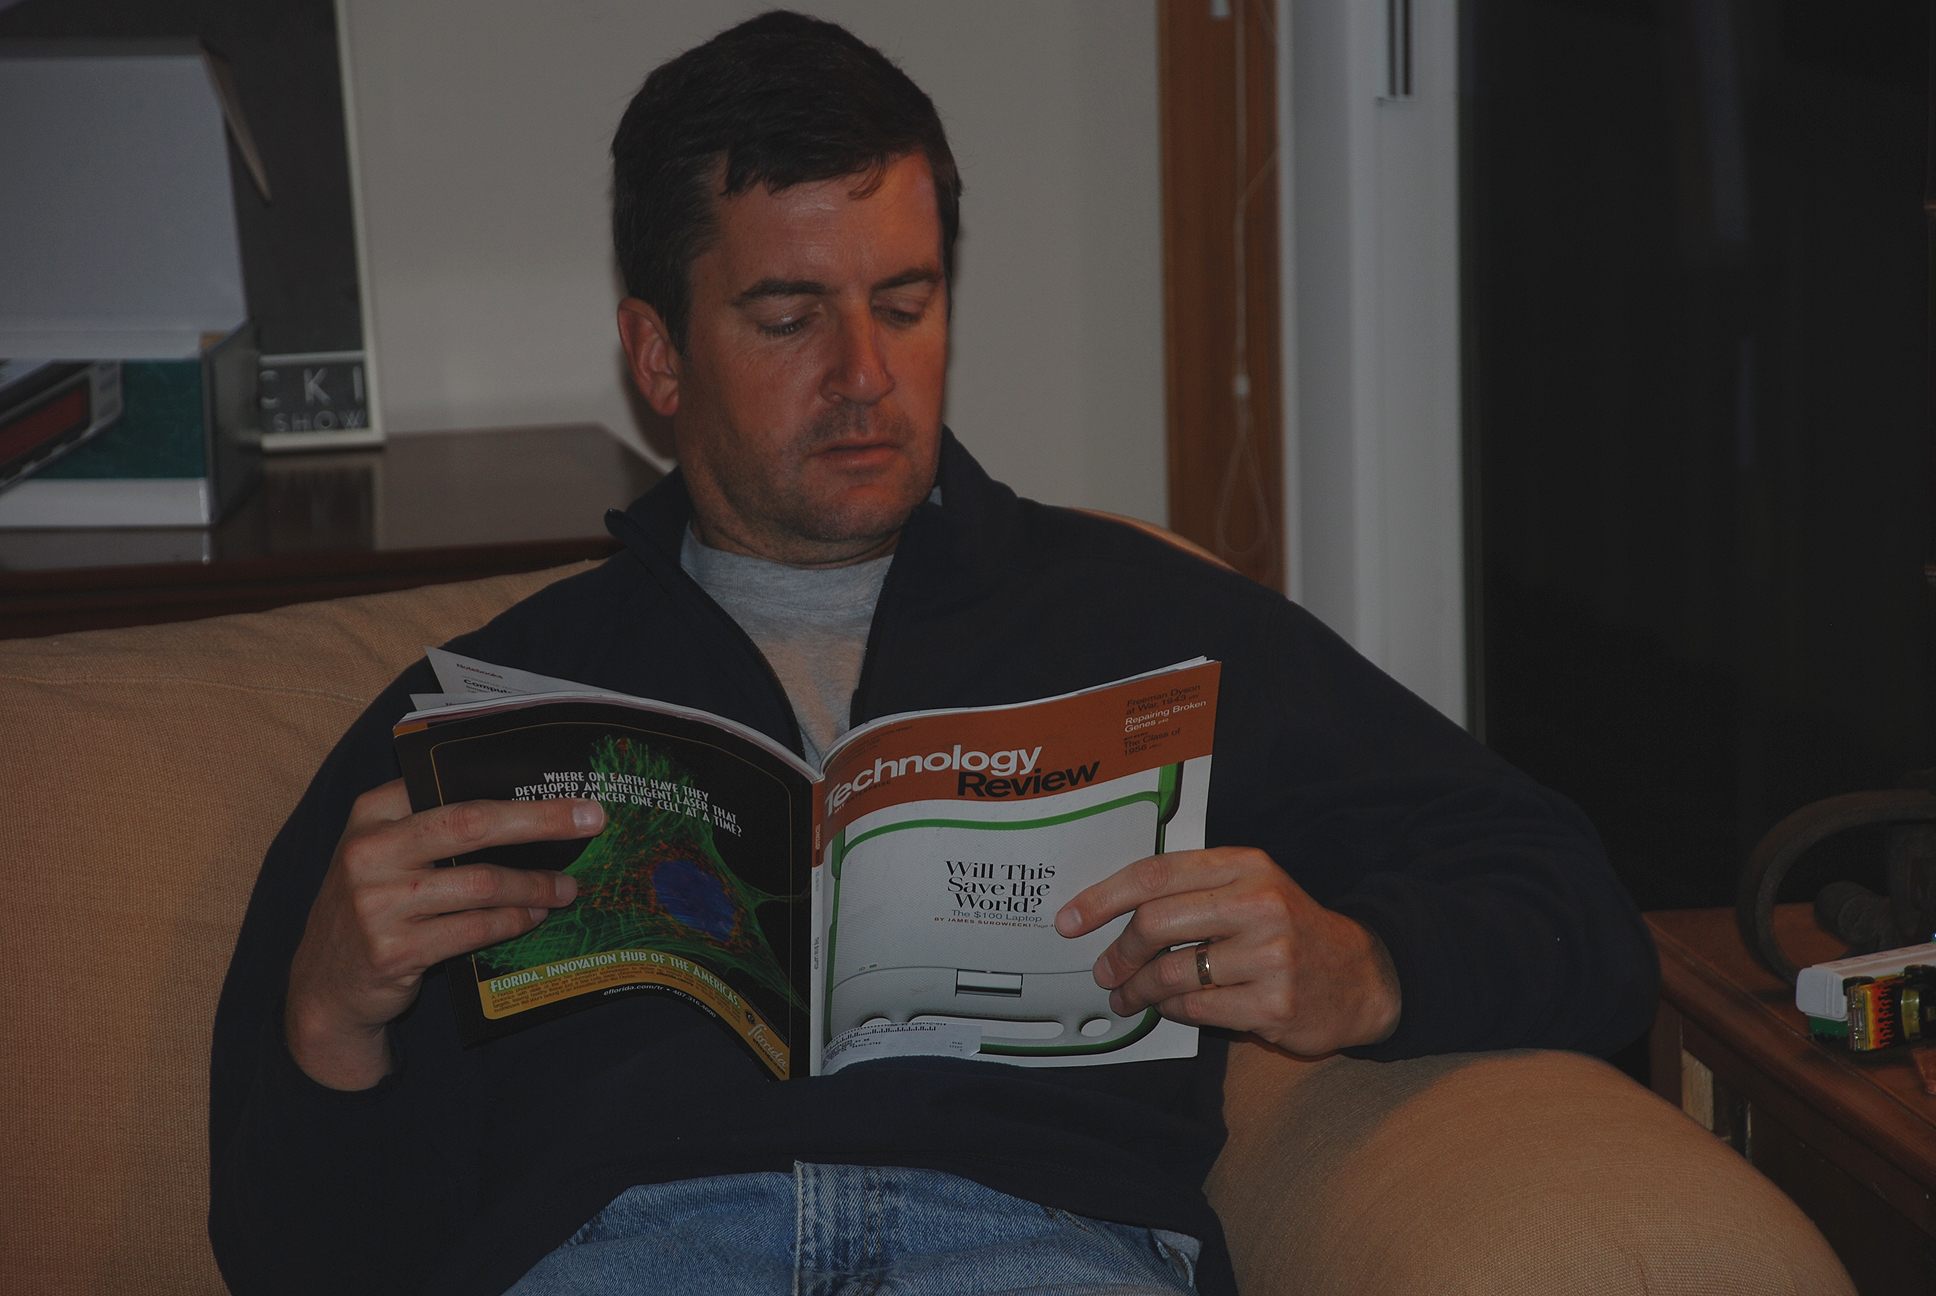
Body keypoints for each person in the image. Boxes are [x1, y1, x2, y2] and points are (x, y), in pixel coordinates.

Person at [208, 13, 1657, 1296]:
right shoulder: (486, 716)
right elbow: (300, 1265)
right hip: (638, 1255)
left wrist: (1365, 967)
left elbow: (1573, 906)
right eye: (790, 317)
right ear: (658, 356)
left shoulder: (1152, 630)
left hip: (1040, 1249)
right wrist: (330, 1023)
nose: (865, 376)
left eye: (904, 305)